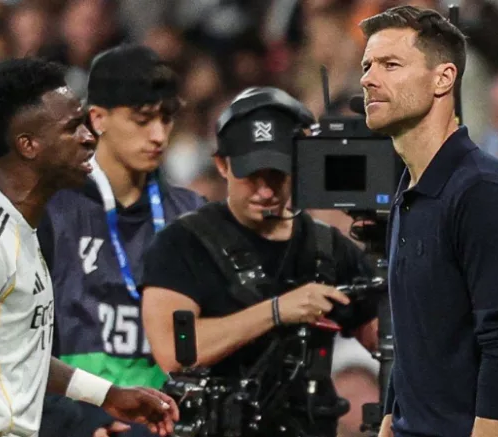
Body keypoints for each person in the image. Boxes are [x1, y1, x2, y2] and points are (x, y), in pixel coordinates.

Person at [0, 57, 178, 437]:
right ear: (29, 145)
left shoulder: (24, 226)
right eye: (72, 128)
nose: (89, 137)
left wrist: (107, 395)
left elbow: (18, 354)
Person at [141, 87, 379, 437]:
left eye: (276, 175)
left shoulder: (327, 248)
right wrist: (277, 311)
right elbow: (175, 352)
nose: (265, 191)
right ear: (222, 165)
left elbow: (384, 340)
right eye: (252, 176)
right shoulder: (183, 244)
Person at [358, 6, 498, 437]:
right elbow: (416, 340)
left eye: (390, 65)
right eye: (367, 66)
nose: (368, 79)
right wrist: (389, 422)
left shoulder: (480, 190)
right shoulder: (410, 189)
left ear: (443, 79)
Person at [38, 44, 204, 437]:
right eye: (142, 120)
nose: (158, 135)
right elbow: (18, 346)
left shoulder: (193, 215)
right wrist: (79, 422)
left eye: (167, 119)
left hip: (171, 425)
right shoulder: (50, 211)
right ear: (98, 118)